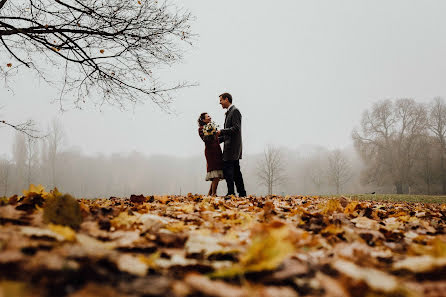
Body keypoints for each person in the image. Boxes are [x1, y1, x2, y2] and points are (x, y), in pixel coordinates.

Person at [216, 93, 247, 197]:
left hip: (232, 148)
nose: (220, 102)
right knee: (236, 171)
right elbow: (229, 133)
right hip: (230, 147)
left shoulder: (235, 111)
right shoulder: (229, 112)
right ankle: (242, 193)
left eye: (221, 100)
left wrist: (221, 131)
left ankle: (231, 193)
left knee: (228, 170)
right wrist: (217, 140)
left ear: (226, 99)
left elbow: (236, 128)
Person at [198, 112, 224, 196]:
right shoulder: (201, 129)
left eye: (209, 116)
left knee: (216, 174)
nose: (210, 117)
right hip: (211, 152)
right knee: (215, 174)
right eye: (208, 116)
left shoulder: (212, 127)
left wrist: (225, 137)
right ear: (203, 119)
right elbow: (206, 140)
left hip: (217, 151)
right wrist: (211, 133)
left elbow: (216, 140)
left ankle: (209, 194)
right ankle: (214, 194)